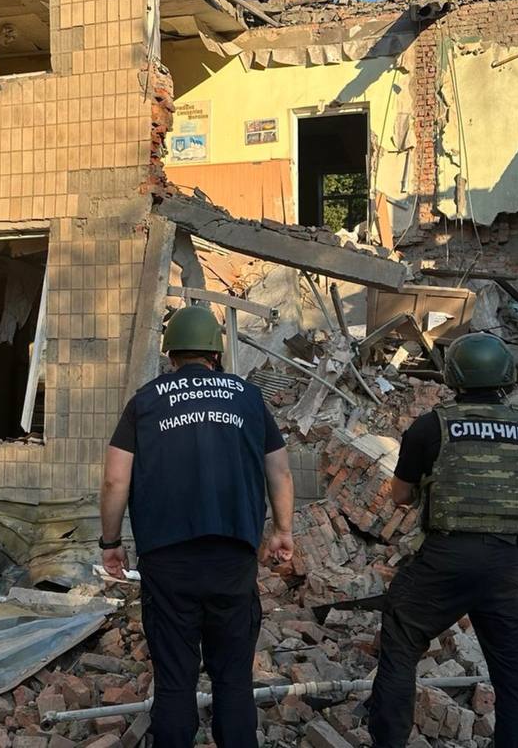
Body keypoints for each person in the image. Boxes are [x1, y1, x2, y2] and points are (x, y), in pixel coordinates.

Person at [99, 305, 295, 747]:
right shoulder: (248, 398)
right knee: (233, 680)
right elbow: (280, 472)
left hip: (167, 562)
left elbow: (114, 480)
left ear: (170, 355)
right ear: (216, 354)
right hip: (232, 558)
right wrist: (282, 531)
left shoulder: (145, 401)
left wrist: (110, 542)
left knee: (175, 682)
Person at [367, 332, 518, 748]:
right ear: (507, 375)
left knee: (401, 643)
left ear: (452, 376)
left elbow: (400, 495)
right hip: (510, 567)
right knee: (513, 676)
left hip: (446, 560)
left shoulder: (430, 427)